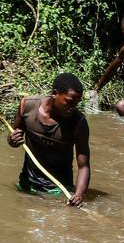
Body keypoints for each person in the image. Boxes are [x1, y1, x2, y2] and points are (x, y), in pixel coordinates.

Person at [8, 73, 91, 206]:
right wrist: (12, 140)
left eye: (76, 103)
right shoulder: (27, 106)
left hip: (58, 191)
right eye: (69, 102)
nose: (73, 108)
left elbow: (84, 166)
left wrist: (79, 195)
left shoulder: (78, 123)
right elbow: (13, 138)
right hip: (26, 186)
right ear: (54, 93)